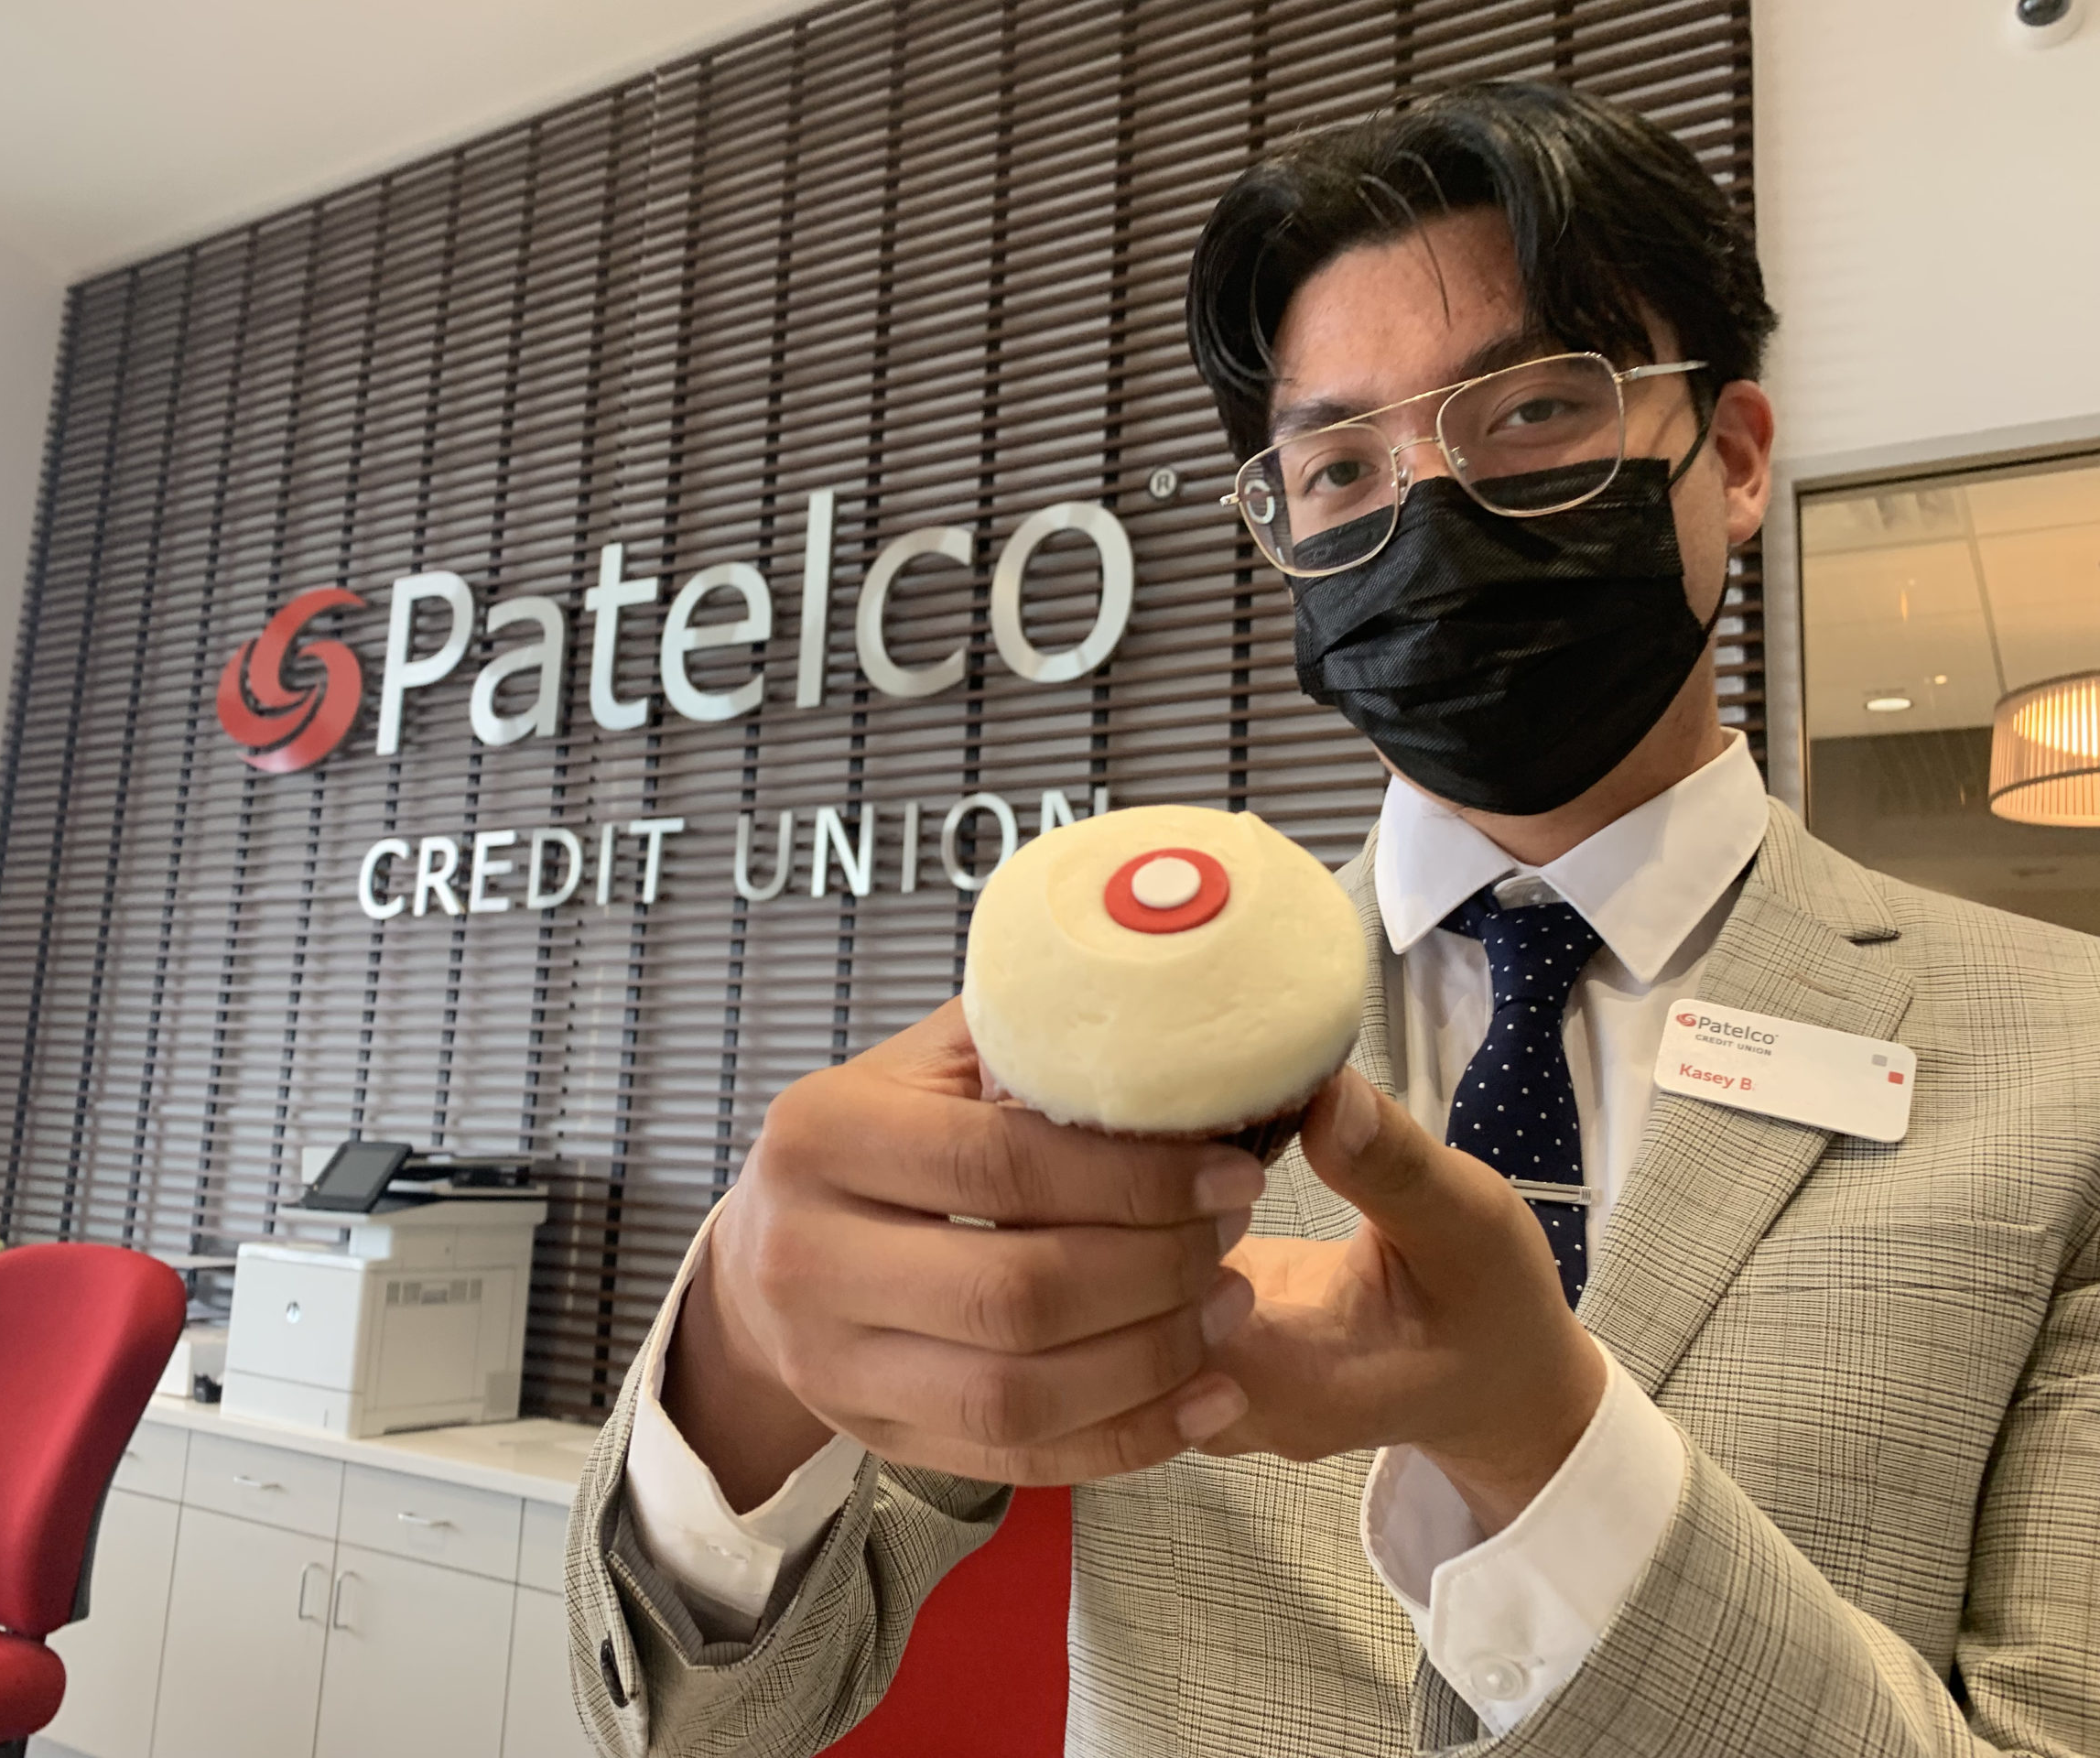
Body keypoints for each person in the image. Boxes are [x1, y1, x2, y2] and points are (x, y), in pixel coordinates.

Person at [565, 81, 2100, 1758]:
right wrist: (746, 1353)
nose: (1426, 511)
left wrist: (1542, 1450)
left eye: (1532, 410)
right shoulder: (1129, 1049)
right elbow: (714, 1725)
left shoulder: (2067, 1059)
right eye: (1341, 463)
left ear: (1729, 460)